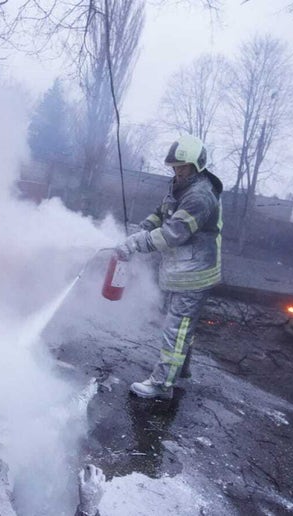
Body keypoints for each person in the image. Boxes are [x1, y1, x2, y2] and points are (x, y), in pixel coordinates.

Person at [116, 134, 223, 400]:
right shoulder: (181, 186)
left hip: (194, 274)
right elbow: (162, 213)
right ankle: (179, 371)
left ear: (197, 166)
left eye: (182, 167)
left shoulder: (200, 196)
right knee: (182, 326)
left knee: (176, 328)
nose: (177, 172)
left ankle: (162, 385)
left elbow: (173, 234)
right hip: (182, 271)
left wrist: (136, 244)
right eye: (174, 167)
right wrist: (143, 228)